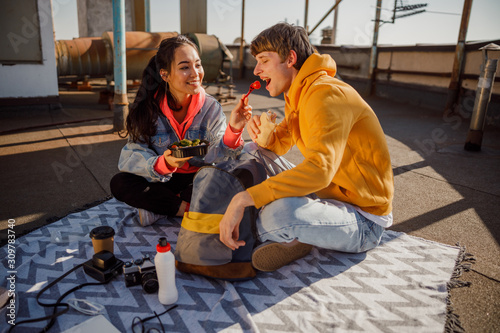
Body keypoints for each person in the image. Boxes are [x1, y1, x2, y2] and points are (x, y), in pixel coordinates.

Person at [219, 23, 394, 272]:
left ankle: (293, 230)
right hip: (329, 195)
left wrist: (244, 199)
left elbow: (319, 171)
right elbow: (278, 148)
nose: (256, 70)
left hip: (364, 220)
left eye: (263, 61)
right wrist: (265, 137)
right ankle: (302, 232)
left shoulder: (325, 94)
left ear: (290, 58)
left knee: (276, 216)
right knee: (252, 151)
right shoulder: (300, 92)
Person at [110, 35, 251, 226]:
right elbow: (130, 157)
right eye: (185, 67)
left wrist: (234, 129)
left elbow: (221, 155)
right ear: (165, 75)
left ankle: (164, 208)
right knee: (120, 183)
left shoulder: (211, 107)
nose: (195, 73)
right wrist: (164, 164)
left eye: (198, 65)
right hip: (162, 180)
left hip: (198, 179)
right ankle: (189, 209)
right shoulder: (147, 109)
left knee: (241, 175)